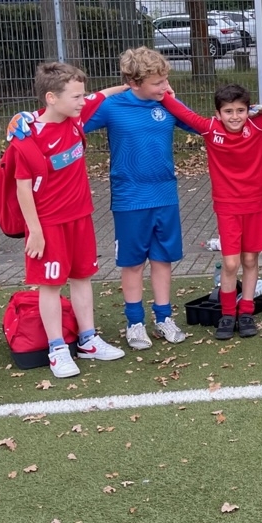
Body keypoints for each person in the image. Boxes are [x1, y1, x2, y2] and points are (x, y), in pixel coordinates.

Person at [13, 62, 128, 377]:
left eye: (82, 95)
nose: (82, 101)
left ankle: (88, 340)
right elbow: (22, 188)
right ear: (51, 98)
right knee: (50, 286)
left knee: (82, 277)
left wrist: (131, 87)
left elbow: (101, 95)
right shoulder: (28, 135)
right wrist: (35, 231)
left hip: (80, 217)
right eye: (76, 96)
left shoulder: (76, 116)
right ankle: (57, 349)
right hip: (48, 224)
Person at [84, 47, 195, 350]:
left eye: (165, 80)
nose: (164, 87)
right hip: (130, 199)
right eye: (157, 83)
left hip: (165, 196)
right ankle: (134, 323)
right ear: (134, 83)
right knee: (133, 264)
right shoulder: (112, 106)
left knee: (162, 259)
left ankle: (164, 318)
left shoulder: (166, 103)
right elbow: (74, 122)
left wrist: (171, 99)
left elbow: (197, 125)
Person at [160, 83, 262, 339]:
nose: (235, 116)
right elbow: (182, 112)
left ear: (248, 110)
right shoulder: (210, 128)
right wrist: (164, 93)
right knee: (231, 263)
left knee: (250, 260)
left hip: (257, 204)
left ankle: (246, 312)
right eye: (228, 111)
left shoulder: (258, 124)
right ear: (218, 113)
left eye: (241, 110)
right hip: (227, 206)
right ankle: (227, 314)